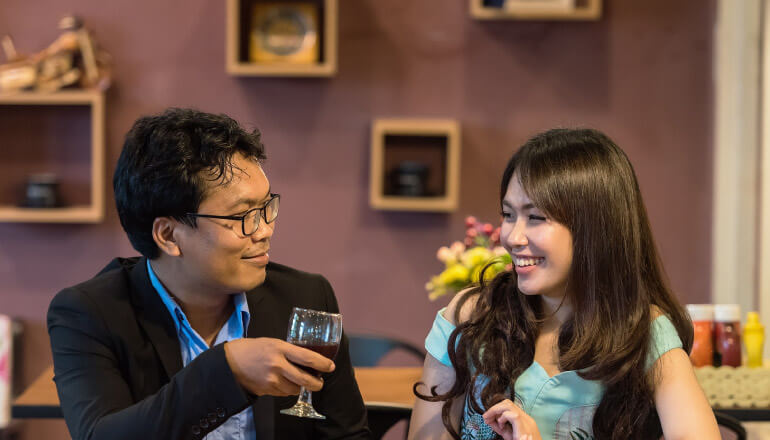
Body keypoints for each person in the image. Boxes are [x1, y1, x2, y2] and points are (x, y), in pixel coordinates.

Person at [47, 108, 372, 440]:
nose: (265, 230)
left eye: (266, 207)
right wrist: (227, 371)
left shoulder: (304, 297)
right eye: (242, 215)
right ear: (169, 236)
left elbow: (347, 435)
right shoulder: (89, 313)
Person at [408, 128, 720, 440]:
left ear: (594, 229)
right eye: (508, 214)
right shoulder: (469, 316)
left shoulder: (644, 332)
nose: (512, 238)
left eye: (535, 218)